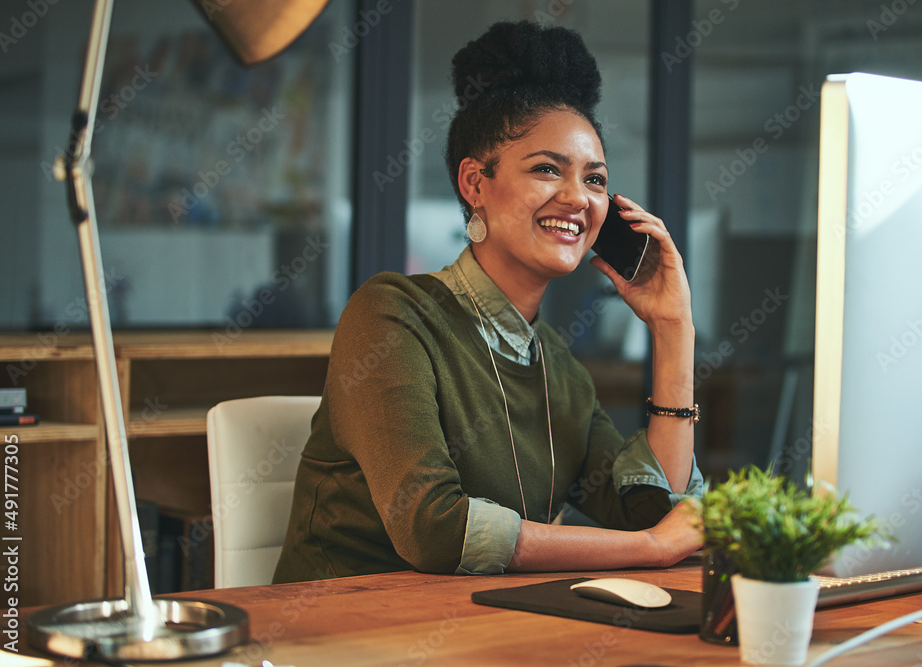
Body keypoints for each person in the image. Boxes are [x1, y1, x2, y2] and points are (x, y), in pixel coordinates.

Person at [273, 20, 703, 584]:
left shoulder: (557, 366)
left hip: (485, 628)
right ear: (475, 184)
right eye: (547, 169)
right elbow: (434, 528)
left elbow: (651, 510)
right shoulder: (390, 316)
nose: (577, 197)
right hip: (344, 632)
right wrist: (648, 548)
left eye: (595, 179)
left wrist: (673, 331)